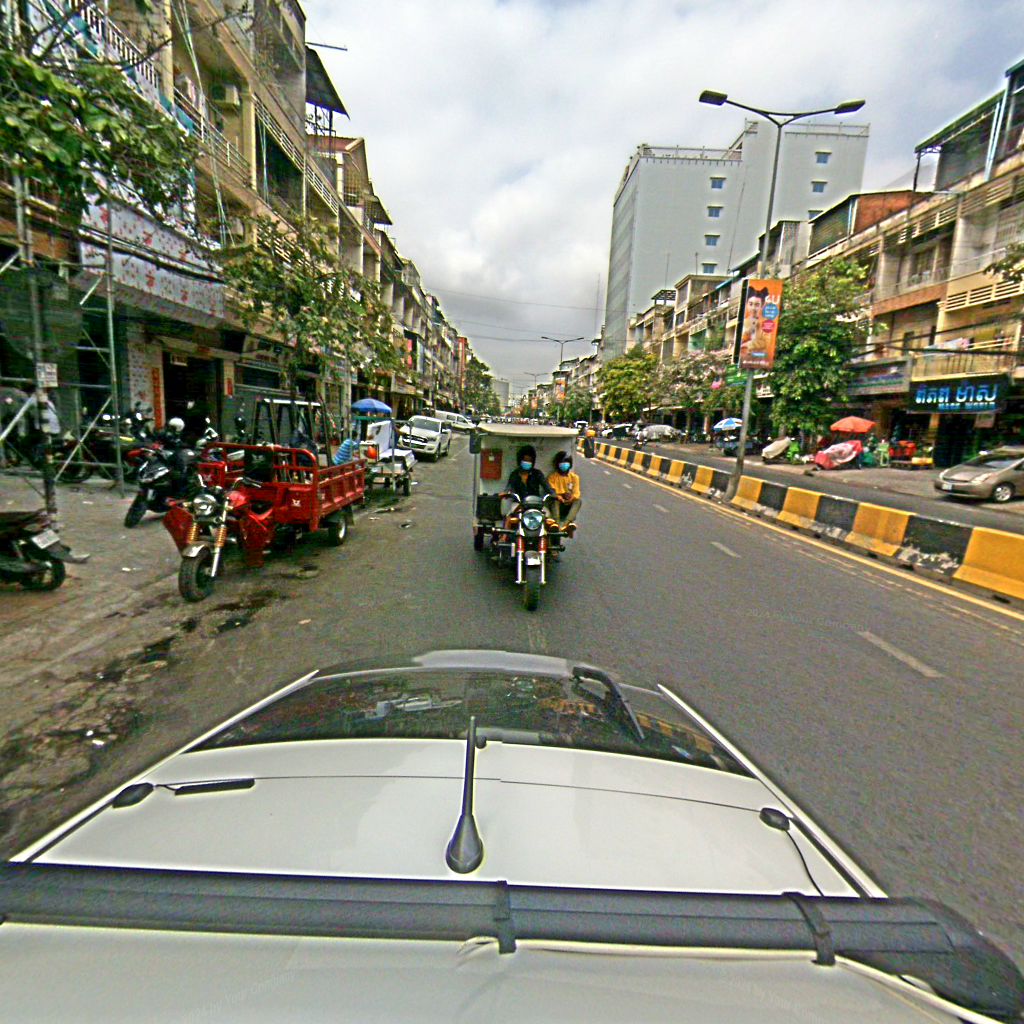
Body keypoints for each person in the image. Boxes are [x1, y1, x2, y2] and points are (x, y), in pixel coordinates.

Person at [547, 451, 581, 537]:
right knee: (554, 500)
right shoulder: (552, 477)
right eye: (562, 462)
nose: (564, 464)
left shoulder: (574, 478)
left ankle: (566, 524)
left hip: (568, 503)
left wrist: (571, 498)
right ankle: (557, 523)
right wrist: (560, 496)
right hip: (557, 502)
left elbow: (576, 493)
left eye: (566, 462)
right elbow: (552, 491)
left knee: (578, 501)